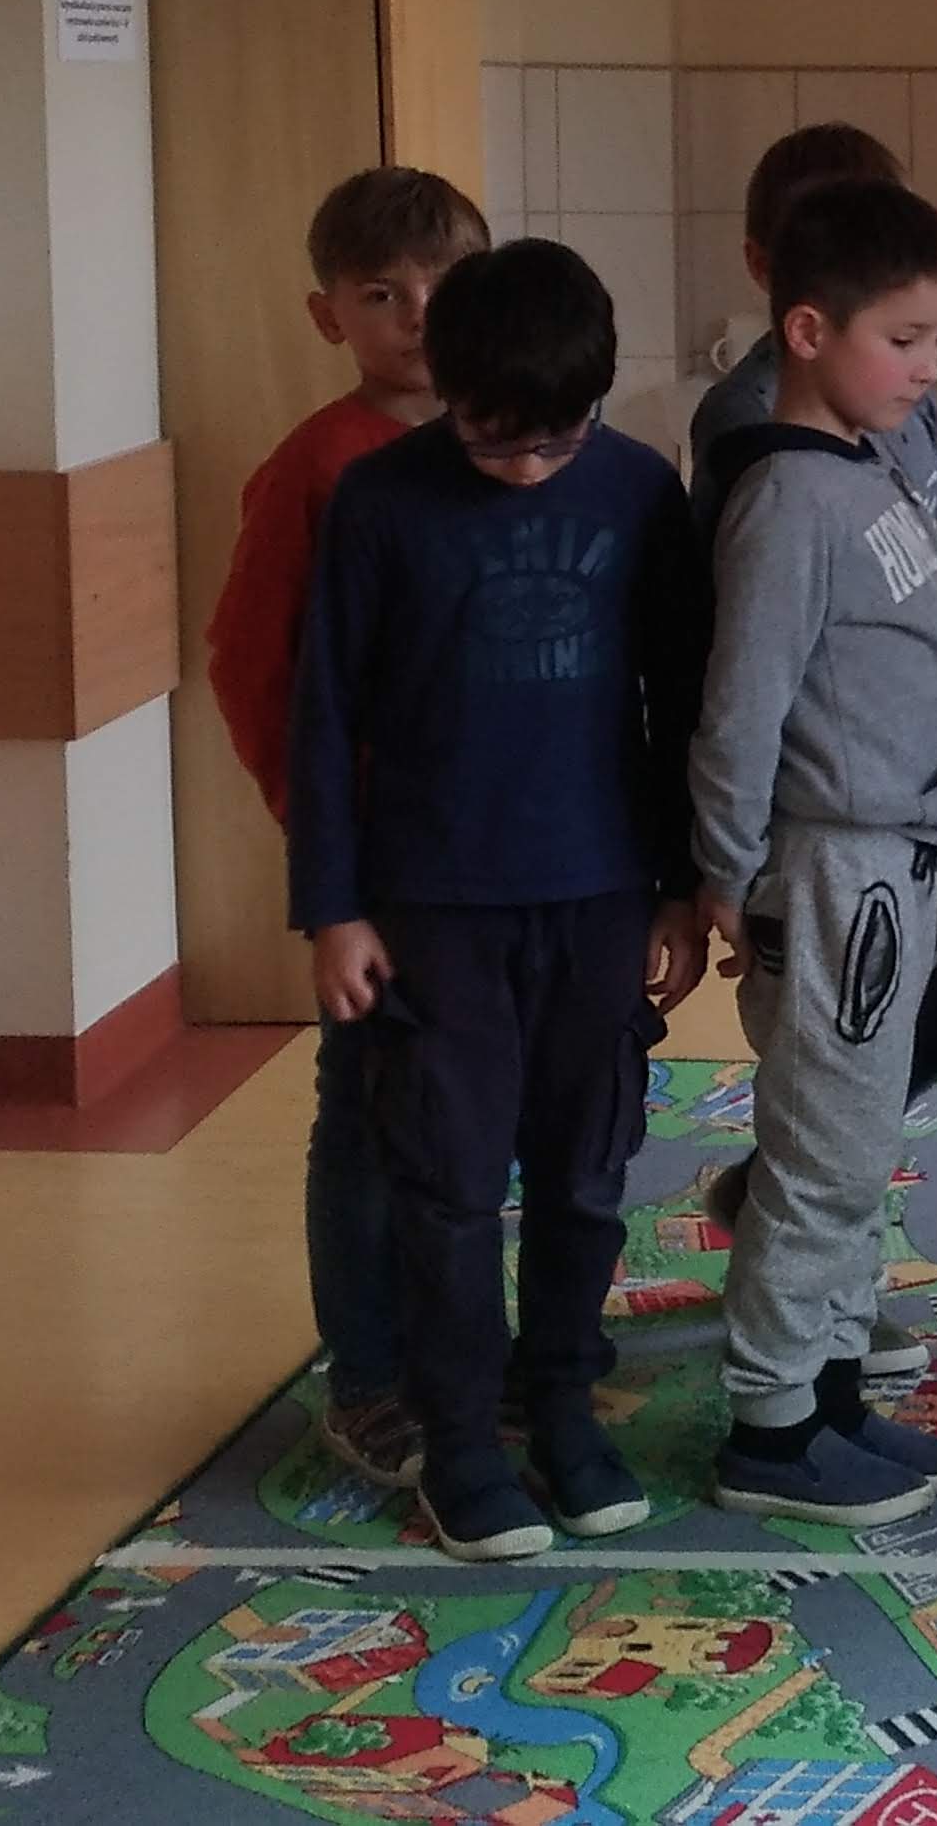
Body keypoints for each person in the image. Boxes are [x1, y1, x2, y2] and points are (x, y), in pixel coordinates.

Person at [288, 237, 712, 1563]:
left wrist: (685, 886)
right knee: (449, 1182)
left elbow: (682, 697)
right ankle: (462, 1438)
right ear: (442, 386)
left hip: (599, 893)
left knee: (587, 1174)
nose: (526, 464)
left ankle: (564, 1409)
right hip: (435, 906)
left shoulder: (638, 491)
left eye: (553, 439)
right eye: (491, 436)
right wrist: (333, 907)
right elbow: (324, 714)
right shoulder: (379, 501)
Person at [688, 179, 937, 1528]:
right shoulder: (784, 498)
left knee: (855, 1148)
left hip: (901, 861)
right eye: (904, 338)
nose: (929, 367)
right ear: (810, 330)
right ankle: (771, 1429)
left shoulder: (865, 469)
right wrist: (724, 873)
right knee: (819, 1156)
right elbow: (742, 706)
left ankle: (827, 1398)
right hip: (836, 871)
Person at [201, 165, 488, 1492]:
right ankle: (367, 1376)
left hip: (497, 853)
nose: (418, 315)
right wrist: (325, 843)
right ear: (330, 317)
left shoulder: (516, 439)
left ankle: (462, 1352)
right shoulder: (318, 467)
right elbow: (250, 665)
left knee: (475, 1111)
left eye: (443, 286)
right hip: (378, 863)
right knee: (366, 1112)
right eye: (383, 294)